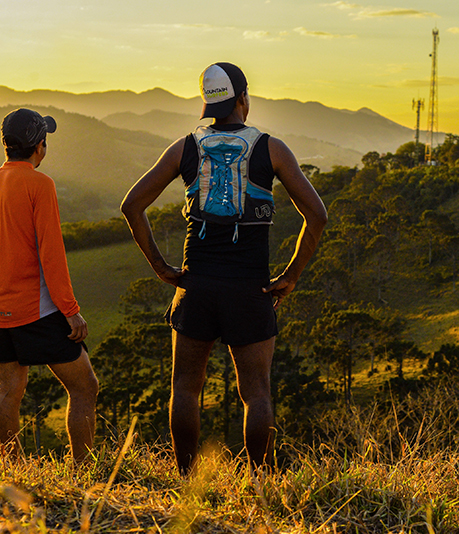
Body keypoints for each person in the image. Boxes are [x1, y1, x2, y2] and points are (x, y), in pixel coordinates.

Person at [121, 62, 327, 474]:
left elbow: (132, 206)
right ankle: (260, 482)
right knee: (257, 394)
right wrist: (290, 276)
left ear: (207, 103)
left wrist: (162, 267)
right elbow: (317, 216)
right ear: (244, 99)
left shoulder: (185, 148)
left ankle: (186, 479)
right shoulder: (272, 149)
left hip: (195, 286)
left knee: (184, 389)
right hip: (250, 291)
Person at [0, 108, 99, 462]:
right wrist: (71, 312)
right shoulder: (41, 185)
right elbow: (52, 255)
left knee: (9, 390)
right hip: (37, 310)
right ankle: (84, 471)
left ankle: (12, 468)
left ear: (6, 145)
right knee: (85, 386)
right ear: (39, 146)